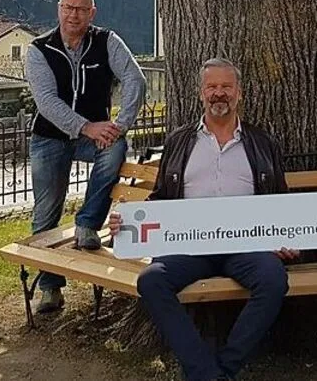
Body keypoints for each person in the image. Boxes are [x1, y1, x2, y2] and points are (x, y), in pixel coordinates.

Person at [109, 58, 297, 381]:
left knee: (273, 279)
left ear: (239, 93)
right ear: (201, 93)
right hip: (189, 246)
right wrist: (127, 223)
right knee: (151, 280)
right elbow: (160, 200)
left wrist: (286, 239)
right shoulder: (180, 141)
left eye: (226, 87)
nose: (219, 93)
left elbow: (280, 200)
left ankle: (222, 369)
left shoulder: (261, 142)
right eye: (212, 87)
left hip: (245, 246)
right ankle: (207, 374)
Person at [26, 0, 146, 314]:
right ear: (58, 9)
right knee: (46, 213)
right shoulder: (39, 49)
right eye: (68, 7)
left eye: (80, 9)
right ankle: (50, 288)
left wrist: (119, 125)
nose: (73, 15)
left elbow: (135, 80)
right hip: (50, 137)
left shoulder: (107, 41)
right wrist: (86, 126)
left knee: (116, 147)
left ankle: (88, 223)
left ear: (92, 13)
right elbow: (47, 102)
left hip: (95, 137)